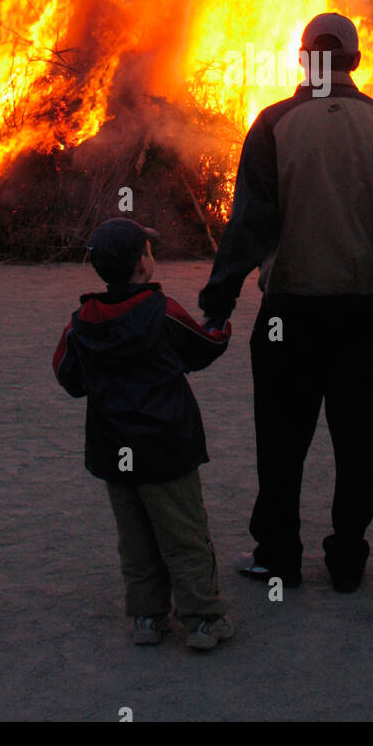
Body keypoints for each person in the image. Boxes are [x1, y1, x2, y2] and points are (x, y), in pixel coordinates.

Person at [198, 12, 373, 592]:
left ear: (302, 57)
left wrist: (217, 300)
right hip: (364, 313)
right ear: (356, 60)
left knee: (281, 440)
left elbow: (249, 224)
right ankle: (348, 557)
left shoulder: (274, 124)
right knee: (358, 441)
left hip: (290, 315)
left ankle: (278, 555)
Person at [52, 217, 234, 650]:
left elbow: (67, 375)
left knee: (135, 539)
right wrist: (220, 324)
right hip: (167, 446)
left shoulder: (81, 324)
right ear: (142, 264)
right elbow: (202, 348)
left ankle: (148, 617)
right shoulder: (163, 312)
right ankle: (203, 618)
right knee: (185, 534)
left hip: (114, 450)